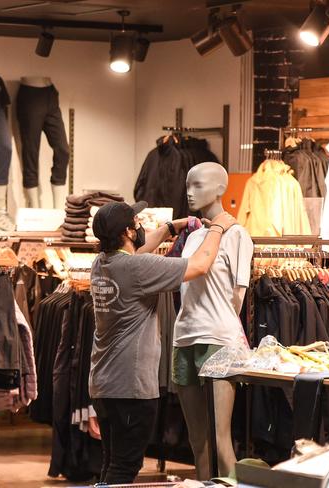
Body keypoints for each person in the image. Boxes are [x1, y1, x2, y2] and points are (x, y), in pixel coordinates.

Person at [89, 199, 237, 484]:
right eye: (136, 224)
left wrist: (170, 227)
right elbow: (200, 264)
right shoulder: (138, 269)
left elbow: (138, 252)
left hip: (103, 384)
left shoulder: (102, 263)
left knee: (113, 462)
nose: (141, 227)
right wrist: (218, 227)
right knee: (124, 468)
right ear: (128, 233)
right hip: (130, 388)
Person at [173, 163, 253, 480]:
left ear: (220, 188)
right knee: (197, 440)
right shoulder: (193, 238)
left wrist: (214, 317)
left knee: (221, 440)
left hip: (219, 339)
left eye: (198, 184)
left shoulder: (236, 235)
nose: (189, 191)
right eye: (188, 184)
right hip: (184, 338)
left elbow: (238, 295)